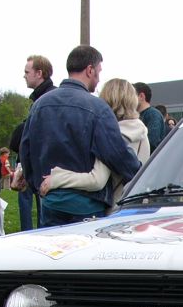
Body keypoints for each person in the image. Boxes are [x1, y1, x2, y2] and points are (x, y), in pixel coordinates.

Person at [20, 45, 141, 227]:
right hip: (87, 205)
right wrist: (141, 173)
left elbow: (26, 151)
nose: (99, 78)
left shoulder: (39, 105)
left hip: (50, 201)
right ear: (90, 70)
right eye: (98, 71)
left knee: (52, 253)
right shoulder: (98, 108)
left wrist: (37, 185)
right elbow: (116, 154)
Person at [39, 77, 149, 212]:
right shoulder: (142, 131)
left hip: (113, 211)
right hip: (134, 208)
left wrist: (56, 179)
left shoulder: (112, 135)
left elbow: (97, 180)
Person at [9, 54, 55, 231]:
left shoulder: (48, 99)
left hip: (47, 172)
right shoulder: (40, 99)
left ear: (39, 73)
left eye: (27, 72)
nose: (24, 75)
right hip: (40, 170)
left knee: (48, 225)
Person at [134, 81, 166, 152]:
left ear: (141, 96)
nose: (129, 99)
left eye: (132, 96)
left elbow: (151, 142)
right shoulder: (140, 115)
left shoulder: (153, 114)